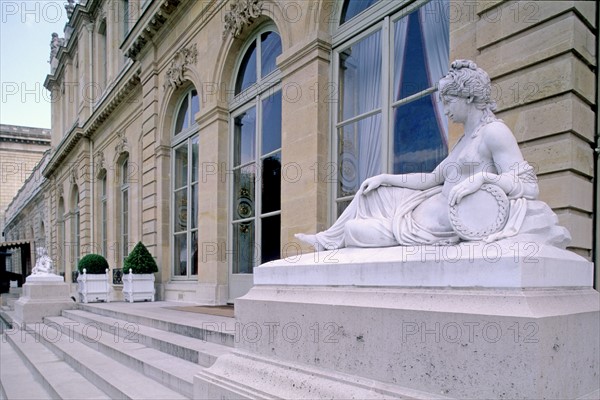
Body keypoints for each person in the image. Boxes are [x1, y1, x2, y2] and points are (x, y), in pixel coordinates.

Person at [296, 60, 540, 250]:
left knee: (354, 230)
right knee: (372, 192)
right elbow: (432, 179)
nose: (445, 111)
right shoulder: (464, 141)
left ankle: (335, 240)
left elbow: (528, 185)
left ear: (468, 97)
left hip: (435, 226)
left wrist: (484, 179)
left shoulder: (494, 132)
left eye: (449, 101)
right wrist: (386, 178)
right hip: (422, 207)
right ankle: (325, 240)